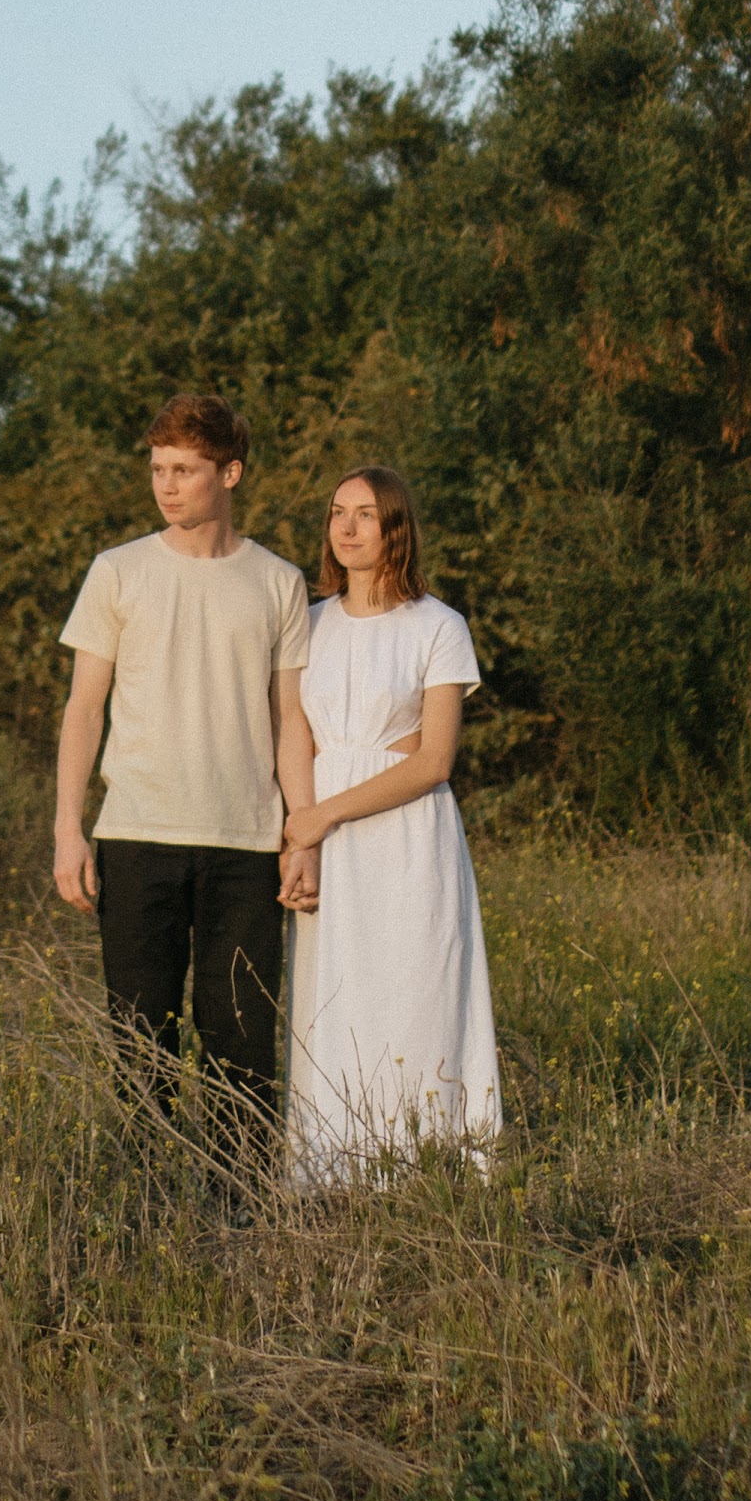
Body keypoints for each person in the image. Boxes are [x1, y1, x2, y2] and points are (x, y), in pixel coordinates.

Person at [52, 392, 315, 1151]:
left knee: (242, 1039)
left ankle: (242, 1215)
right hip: (137, 832)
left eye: (186, 469)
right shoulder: (118, 571)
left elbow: (287, 718)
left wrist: (300, 834)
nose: (167, 485)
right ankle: (148, 1208)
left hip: (246, 841)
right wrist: (69, 830)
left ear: (229, 473)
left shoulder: (278, 581)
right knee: (140, 1039)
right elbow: (83, 708)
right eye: (158, 468)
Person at [276, 463, 499, 1184]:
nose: (345, 526)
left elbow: (433, 758)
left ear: (395, 525)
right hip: (321, 834)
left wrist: (319, 815)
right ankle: (332, 1171)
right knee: (334, 998)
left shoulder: (438, 625)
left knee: (416, 985)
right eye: (337, 511)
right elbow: (294, 737)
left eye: (365, 514)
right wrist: (300, 838)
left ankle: (427, 1165)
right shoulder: (306, 624)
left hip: (407, 836)